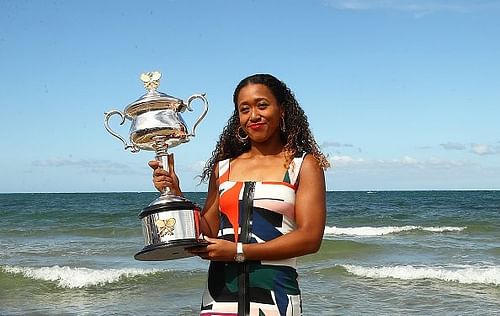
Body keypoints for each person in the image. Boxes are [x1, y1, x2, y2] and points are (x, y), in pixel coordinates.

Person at [149, 73, 330, 316]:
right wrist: (175, 194)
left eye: (262, 105)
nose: (253, 115)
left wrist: (238, 252)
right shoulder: (224, 168)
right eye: (244, 109)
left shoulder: (303, 165)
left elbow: (310, 238)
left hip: (277, 300)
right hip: (219, 300)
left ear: (282, 110)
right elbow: (207, 232)